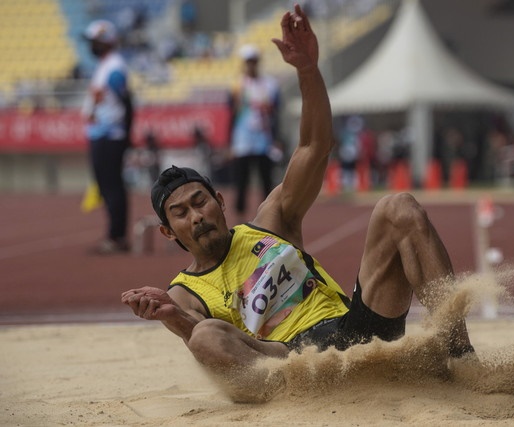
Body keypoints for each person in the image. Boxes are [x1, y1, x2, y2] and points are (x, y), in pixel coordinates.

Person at [122, 5, 474, 397]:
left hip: (355, 336)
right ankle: (299, 401)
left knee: (399, 207)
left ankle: (459, 357)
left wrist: (308, 70)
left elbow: (313, 145)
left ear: (220, 201)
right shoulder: (184, 292)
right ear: (169, 233)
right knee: (204, 335)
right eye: (181, 213)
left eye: (200, 202)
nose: (196, 216)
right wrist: (174, 319)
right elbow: (211, 350)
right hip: (291, 365)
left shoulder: (272, 221)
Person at [81, 20, 135, 254]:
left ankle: (117, 236)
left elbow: (128, 103)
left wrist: (126, 133)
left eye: (94, 42)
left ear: (106, 42)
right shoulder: (104, 66)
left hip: (111, 134)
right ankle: (114, 234)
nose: (91, 46)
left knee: (112, 185)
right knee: (105, 186)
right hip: (102, 133)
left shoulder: (114, 68)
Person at [228, 42, 281, 222]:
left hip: (264, 141)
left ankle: (269, 218)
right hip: (242, 140)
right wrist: (229, 142)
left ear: (258, 62)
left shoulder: (271, 85)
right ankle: (240, 220)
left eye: (254, 61)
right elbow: (230, 115)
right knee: (241, 182)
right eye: (248, 61)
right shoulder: (236, 85)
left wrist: (276, 137)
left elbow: (276, 113)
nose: (251, 65)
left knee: (266, 181)